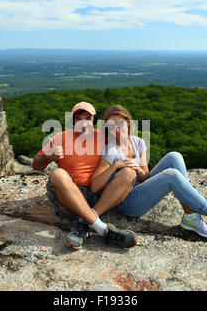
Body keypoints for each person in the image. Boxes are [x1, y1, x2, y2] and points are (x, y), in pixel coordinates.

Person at [90, 105, 207, 238]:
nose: (116, 130)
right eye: (111, 126)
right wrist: (116, 165)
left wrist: (138, 168)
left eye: (120, 124)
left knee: (174, 156)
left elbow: (145, 177)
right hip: (127, 203)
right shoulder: (111, 150)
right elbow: (95, 185)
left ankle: (191, 216)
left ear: (128, 123)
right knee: (171, 176)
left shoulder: (138, 143)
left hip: (142, 192)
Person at [32, 102, 138, 249]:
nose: (83, 122)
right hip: (70, 196)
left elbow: (128, 145)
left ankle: (84, 223)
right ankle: (103, 229)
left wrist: (137, 166)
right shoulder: (60, 137)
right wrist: (48, 157)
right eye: (78, 118)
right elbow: (36, 165)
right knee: (57, 174)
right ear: (73, 121)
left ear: (94, 121)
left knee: (129, 172)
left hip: (98, 197)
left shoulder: (104, 137)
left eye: (88, 118)